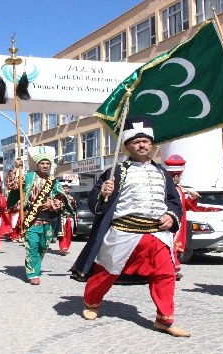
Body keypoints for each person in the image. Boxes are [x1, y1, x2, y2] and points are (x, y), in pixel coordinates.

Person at [69, 117, 189, 337]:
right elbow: (95, 203)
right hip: (123, 231)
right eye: (136, 142)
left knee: (166, 274)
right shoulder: (115, 171)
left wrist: (171, 216)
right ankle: (91, 302)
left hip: (157, 234)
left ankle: (164, 319)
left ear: (151, 144)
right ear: (127, 146)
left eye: (145, 141)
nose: (142, 145)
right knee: (107, 271)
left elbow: (174, 202)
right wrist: (103, 194)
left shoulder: (162, 172)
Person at [7, 146, 69, 285]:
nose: (45, 166)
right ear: (37, 165)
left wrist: (52, 204)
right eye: (42, 163)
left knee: (43, 246)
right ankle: (33, 273)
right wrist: (16, 168)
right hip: (31, 219)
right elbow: (11, 185)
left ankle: (34, 264)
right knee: (32, 246)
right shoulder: (28, 177)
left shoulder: (53, 181)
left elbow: (62, 199)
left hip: (48, 220)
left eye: (48, 163)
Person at [162, 154, 221, 280]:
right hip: (170, 221)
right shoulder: (166, 189)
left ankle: (173, 268)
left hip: (179, 223)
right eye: (177, 176)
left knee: (175, 248)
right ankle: (172, 269)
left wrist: (192, 198)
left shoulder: (179, 189)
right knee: (169, 246)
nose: (177, 178)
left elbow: (186, 206)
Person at [57, 182, 77, 256]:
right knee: (62, 234)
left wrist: (73, 202)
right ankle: (63, 248)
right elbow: (58, 207)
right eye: (64, 188)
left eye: (67, 188)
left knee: (69, 234)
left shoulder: (72, 196)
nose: (65, 189)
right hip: (63, 217)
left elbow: (75, 208)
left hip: (70, 217)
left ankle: (67, 247)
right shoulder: (59, 197)